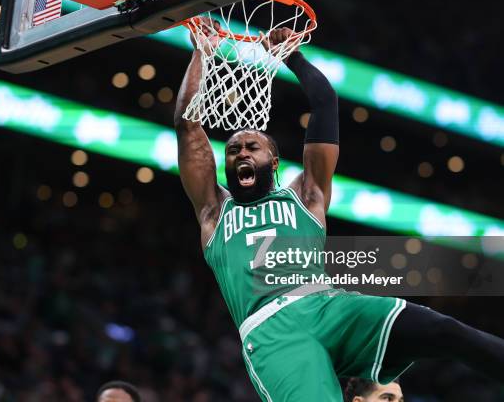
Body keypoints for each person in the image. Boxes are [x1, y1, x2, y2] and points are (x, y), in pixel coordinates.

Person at [173, 20, 504, 401]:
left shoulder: (306, 195)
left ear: (275, 161)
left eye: (252, 147)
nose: (242, 152)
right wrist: (202, 52)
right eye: (233, 150)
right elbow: (187, 125)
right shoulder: (216, 211)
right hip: (273, 331)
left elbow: (325, 103)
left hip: (328, 303)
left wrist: (291, 56)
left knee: (443, 331)